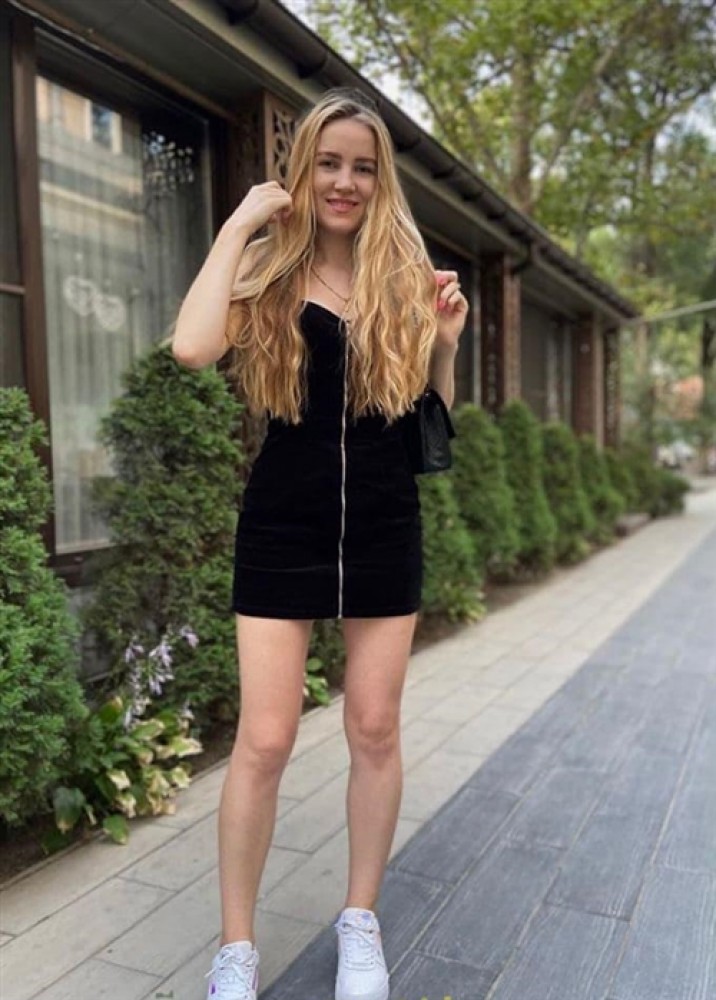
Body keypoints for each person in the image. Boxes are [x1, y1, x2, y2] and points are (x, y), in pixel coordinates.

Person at [172, 88, 467, 1000]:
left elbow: (429, 431)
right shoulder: (265, 274)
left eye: (363, 167)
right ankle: (236, 949)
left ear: (381, 181)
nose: (345, 181)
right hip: (282, 526)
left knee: (374, 728)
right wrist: (240, 225)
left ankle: (359, 921)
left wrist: (445, 346)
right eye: (329, 163)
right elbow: (191, 348)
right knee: (264, 741)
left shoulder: (403, 279)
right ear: (302, 170)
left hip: (384, 523)